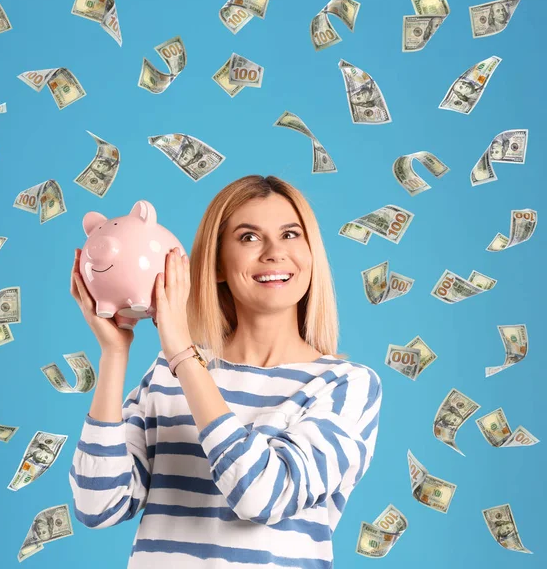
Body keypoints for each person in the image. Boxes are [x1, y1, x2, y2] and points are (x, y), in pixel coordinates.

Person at [68, 175, 382, 569]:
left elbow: (262, 496)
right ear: (215, 264)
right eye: (249, 237)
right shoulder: (167, 373)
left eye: (290, 234)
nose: (273, 253)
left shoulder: (346, 385)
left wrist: (184, 355)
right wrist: (114, 355)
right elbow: (98, 505)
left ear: (311, 253)